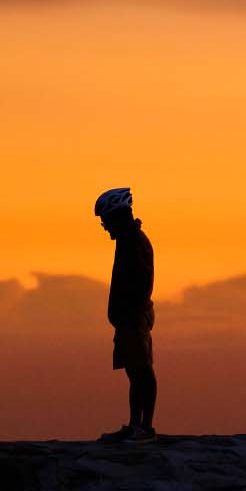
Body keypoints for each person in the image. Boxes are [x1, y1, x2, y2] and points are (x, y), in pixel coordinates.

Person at [94, 187, 157, 443]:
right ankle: (135, 425)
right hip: (127, 319)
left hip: (133, 318)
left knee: (142, 370)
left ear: (118, 216)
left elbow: (141, 284)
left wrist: (131, 313)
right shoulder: (126, 240)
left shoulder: (135, 241)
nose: (105, 227)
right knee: (134, 372)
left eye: (106, 221)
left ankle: (145, 428)